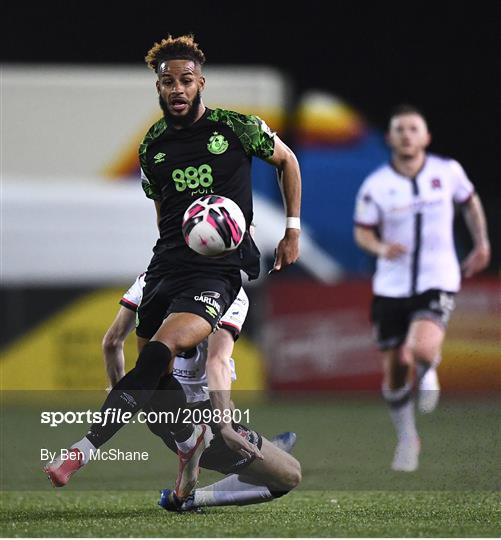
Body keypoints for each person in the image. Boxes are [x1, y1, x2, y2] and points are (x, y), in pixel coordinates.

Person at [44, 33, 302, 499]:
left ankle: (85, 448)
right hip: (165, 269)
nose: (178, 89)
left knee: (157, 353)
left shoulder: (236, 128)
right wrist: (159, 264)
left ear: (200, 82)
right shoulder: (154, 147)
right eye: (168, 82)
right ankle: (192, 448)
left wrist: (293, 230)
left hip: (215, 274)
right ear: (159, 88)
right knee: (156, 379)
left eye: (186, 80)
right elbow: (163, 211)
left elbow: (287, 161)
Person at [353, 104, 490, 472]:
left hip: (437, 277)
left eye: (414, 128)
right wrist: (381, 247)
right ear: (389, 138)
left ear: (426, 136)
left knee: (422, 347)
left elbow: (470, 204)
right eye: (399, 129)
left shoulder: (447, 172)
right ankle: (407, 438)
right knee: (396, 368)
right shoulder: (376, 185)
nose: (406, 135)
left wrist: (482, 244)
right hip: (391, 286)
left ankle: (429, 369)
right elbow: (362, 231)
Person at [102, 274, 300, 511]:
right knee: (289, 475)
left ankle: (253, 448)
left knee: (230, 411)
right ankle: (189, 498)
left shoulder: (149, 278)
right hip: (200, 420)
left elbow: (112, 343)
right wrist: (225, 426)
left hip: (160, 412)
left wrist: (124, 394)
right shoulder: (230, 291)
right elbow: (216, 362)